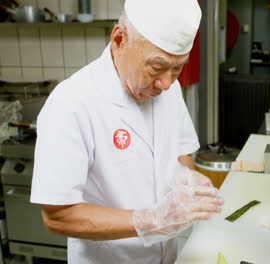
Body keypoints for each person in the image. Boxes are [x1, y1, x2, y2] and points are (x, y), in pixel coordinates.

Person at [30, 0, 224, 263]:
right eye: (157, 67)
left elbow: (181, 152)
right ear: (120, 39)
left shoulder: (169, 90)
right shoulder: (71, 103)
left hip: (170, 256)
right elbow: (56, 216)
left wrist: (185, 180)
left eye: (177, 68)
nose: (166, 83)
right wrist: (150, 220)